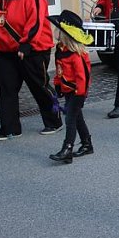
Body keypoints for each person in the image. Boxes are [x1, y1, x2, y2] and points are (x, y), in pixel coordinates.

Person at [0, 0, 62, 140]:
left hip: (33, 50)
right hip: (7, 51)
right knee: (7, 89)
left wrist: (26, 44)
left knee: (39, 87)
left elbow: (35, 22)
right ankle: (10, 128)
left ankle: (54, 121)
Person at [48, 10, 94, 164]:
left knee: (70, 118)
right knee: (77, 117)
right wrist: (57, 85)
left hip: (77, 92)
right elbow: (59, 70)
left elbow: (83, 77)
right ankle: (87, 144)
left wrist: (80, 95)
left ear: (64, 34)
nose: (54, 30)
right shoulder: (60, 50)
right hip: (68, 90)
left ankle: (67, 149)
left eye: (57, 28)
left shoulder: (75, 55)